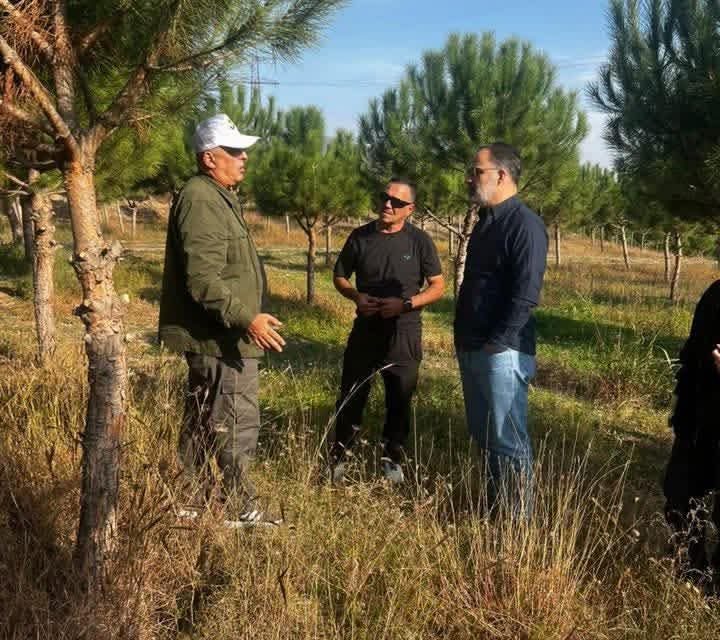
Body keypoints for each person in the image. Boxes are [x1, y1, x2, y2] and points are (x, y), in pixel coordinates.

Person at [158, 113, 286, 527]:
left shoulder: (216, 195)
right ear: (209, 157)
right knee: (234, 421)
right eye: (234, 150)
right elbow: (203, 279)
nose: (243, 156)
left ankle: (190, 502)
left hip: (219, 335)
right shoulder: (201, 198)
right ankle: (241, 508)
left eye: (243, 150)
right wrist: (248, 319)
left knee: (202, 420)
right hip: (222, 338)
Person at [454, 143, 548, 515]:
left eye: (477, 171)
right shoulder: (485, 222)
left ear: (502, 175)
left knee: (507, 440)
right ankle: (497, 512)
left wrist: (498, 341)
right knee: (486, 437)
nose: (470, 178)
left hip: (501, 351)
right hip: (473, 345)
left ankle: (517, 525)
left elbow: (525, 295)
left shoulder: (524, 224)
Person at [331, 178, 445, 484]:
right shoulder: (360, 236)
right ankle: (339, 458)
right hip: (365, 330)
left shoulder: (419, 241)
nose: (387, 204)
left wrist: (405, 305)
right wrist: (356, 296)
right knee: (351, 395)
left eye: (396, 202)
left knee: (399, 400)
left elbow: (438, 286)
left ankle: (392, 459)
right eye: (384, 197)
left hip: (404, 332)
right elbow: (340, 276)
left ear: (410, 209)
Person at [664, 279, 720, 586]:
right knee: (679, 495)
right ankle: (691, 575)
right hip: (699, 417)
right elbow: (693, 355)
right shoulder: (715, 294)